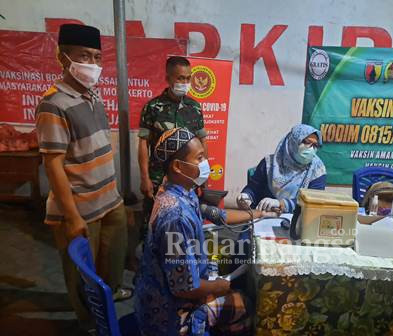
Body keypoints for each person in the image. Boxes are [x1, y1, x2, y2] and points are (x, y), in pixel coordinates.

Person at [35, 24, 129, 332]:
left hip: (109, 200)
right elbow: (53, 164)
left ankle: (108, 297)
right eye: (84, 56)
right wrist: (72, 216)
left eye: (97, 57)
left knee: (112, 263)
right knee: (82, 274)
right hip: (78, 208)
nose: (93, 64)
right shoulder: (53, 104)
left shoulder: (93, 96)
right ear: (64, 59)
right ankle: (89, 321)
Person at [134, 128, 252, 336]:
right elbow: (185, 289)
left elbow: (218, 215)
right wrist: (219, 286)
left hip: (169, 289)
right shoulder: (176, 217)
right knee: (245, 304)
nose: (206, 163)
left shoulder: (178, 191)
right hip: (170, 314)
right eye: (200, 158)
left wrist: (256, 214)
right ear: (178, 166)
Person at [138, 56, 207, 226]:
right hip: (158, 177)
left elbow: (202, 142)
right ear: (168, 78)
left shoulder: (194, 108)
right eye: (180, 78)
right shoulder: (153, 107)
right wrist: (145, 178)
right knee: (152, 222)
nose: (185, 82)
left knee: (183, 221)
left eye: (188, 78)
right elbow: (143, 144)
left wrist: (203, 174)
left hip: (186, 178)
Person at [237, 124, 326, 213]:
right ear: (292, 142)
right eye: (307, 142)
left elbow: (313, 202)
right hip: (264, 216)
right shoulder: (269, 164)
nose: (311, 149)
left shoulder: (317, 170)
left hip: (298, 221)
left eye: (315, 145)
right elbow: (254, 188)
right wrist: (246, 196)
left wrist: (283, 204)